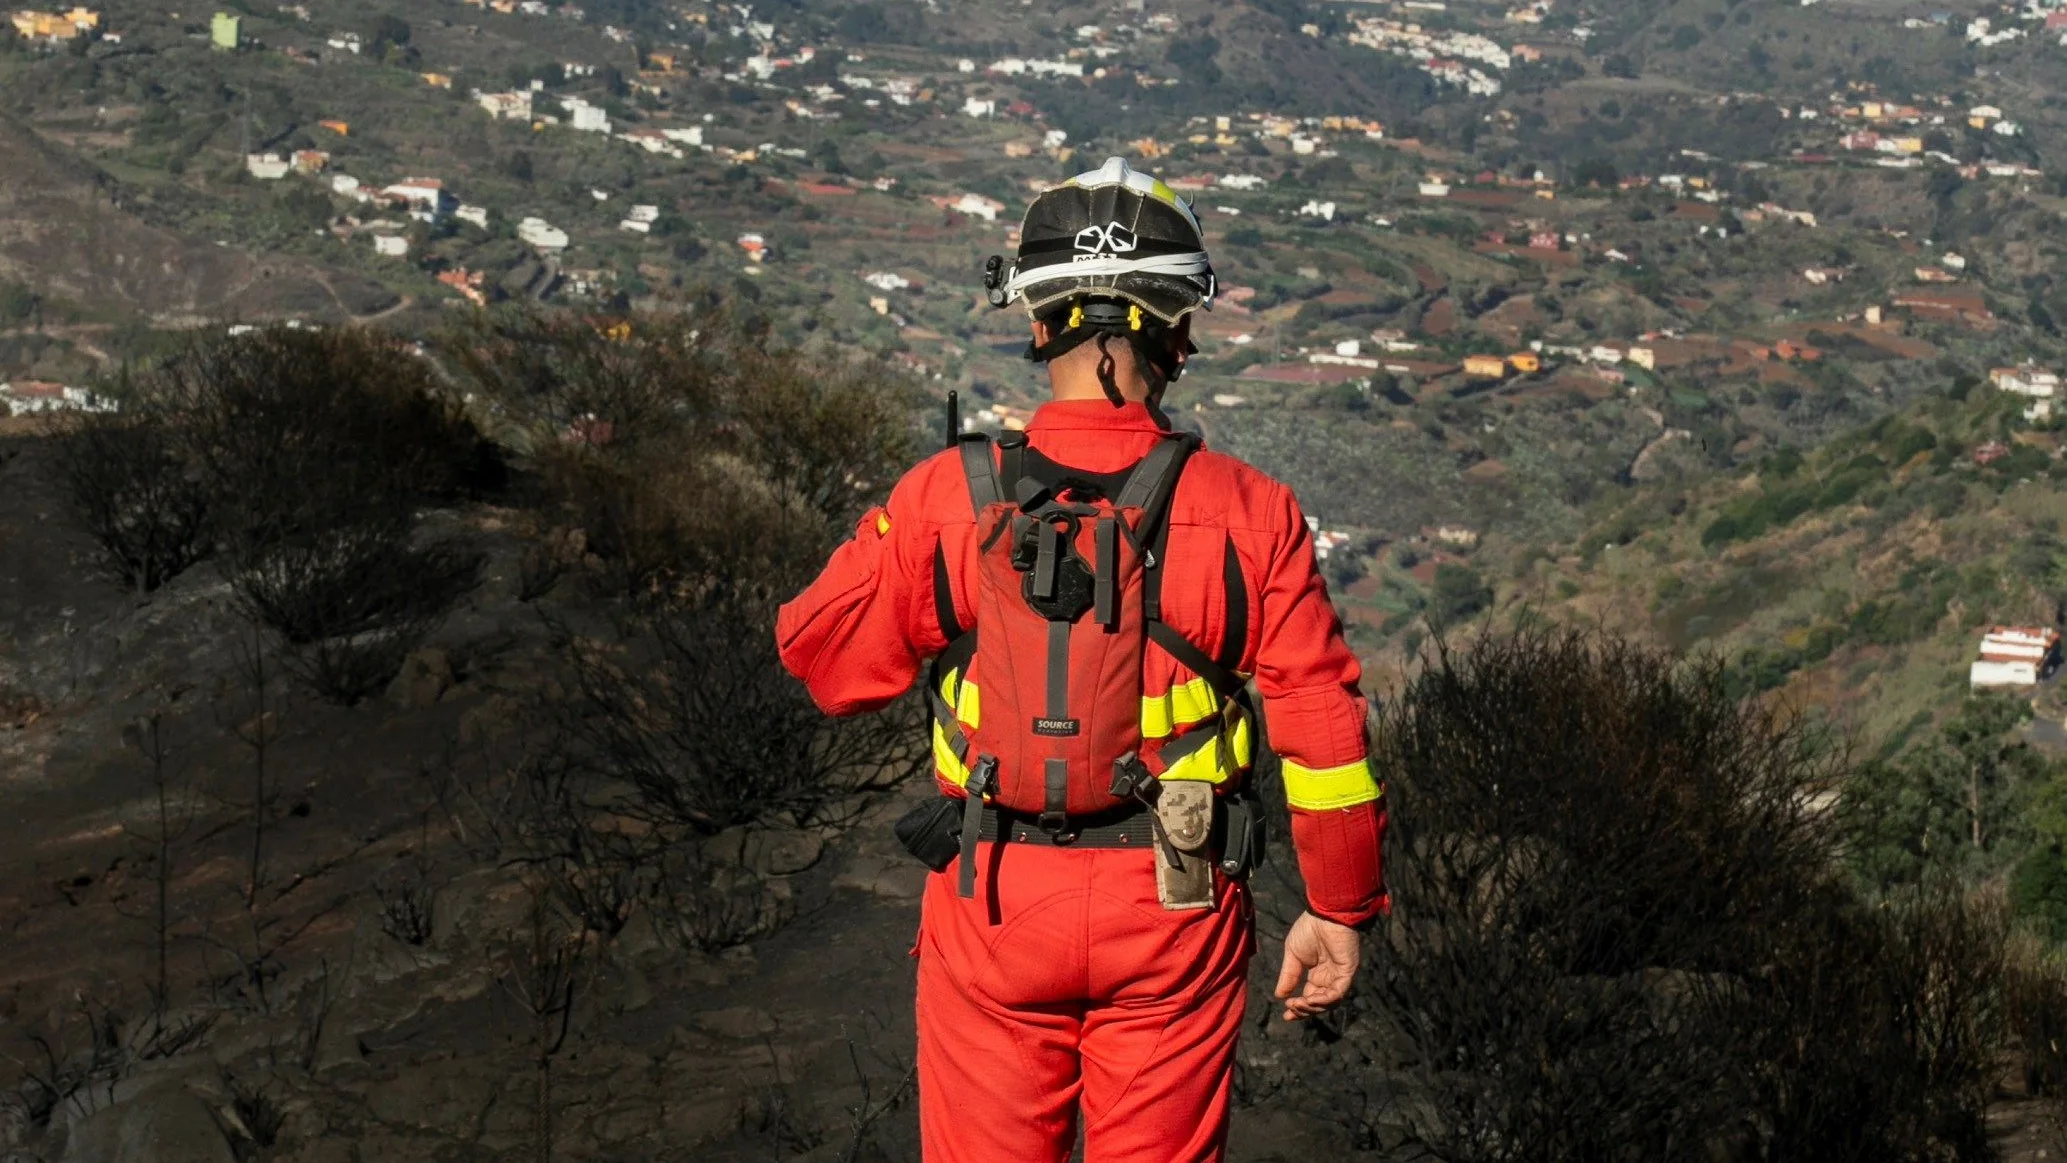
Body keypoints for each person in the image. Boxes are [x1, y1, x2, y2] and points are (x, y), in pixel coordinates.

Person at [775, 157, 1385, 1163]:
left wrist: (912, 520)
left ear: (1036, 321)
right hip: (1178, 901)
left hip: (994, 897)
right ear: (1176, 333)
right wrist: (1339, 907)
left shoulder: (951, 495)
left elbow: (824, 655)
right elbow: (1322, 726)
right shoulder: (1250, 509)